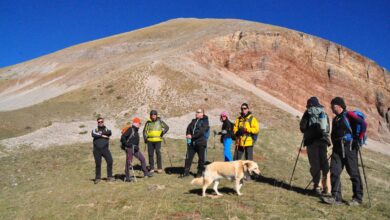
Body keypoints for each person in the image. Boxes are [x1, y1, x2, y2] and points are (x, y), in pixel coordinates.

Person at [322, 97, 367, 206]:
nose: (331, 108)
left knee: (353, 172)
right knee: (334, 171)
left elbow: (363, 124)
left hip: (349, 148)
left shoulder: (349, 115)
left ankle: (357, 198)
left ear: (338, 106)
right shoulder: (336, 118)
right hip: (337, 149)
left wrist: (358, 138)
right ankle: (336, 198)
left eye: (332, 106)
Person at [299, 97, 331, 195]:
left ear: (309, 105)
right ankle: (327, 187)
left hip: (311, 141)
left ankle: (317, 187)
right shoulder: (324, 113)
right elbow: (327, 129)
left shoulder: (308, 113)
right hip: (323, 141)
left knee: (315, 164)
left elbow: (303, 127)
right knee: (324, 164)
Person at [180, 108, 210, 178]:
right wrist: (188, 134)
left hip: (201, 143)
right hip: (192, 144)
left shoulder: (205, 122)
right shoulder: (193, 121)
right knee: (188, 158)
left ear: (202, 114)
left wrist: (192, 136)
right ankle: (186, 173)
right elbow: (188, 128)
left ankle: (199, 174)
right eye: (196, 112)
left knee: (201, 159)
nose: (196, 113)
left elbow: (201, 132)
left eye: (198, 112)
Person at [91, 117, 113, 184]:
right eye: (99, 122)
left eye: (101, 122)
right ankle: (97, 178)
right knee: (98, 164)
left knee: (110, 161)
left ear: (103, 122)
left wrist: (100, 134)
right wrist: (103, 135)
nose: (100, 123)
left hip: (105, 149)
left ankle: (109, 177)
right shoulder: (95, 129)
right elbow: (93, 134)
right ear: (97, 123)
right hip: (96, 150)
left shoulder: (107, 129)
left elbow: (109, 132)